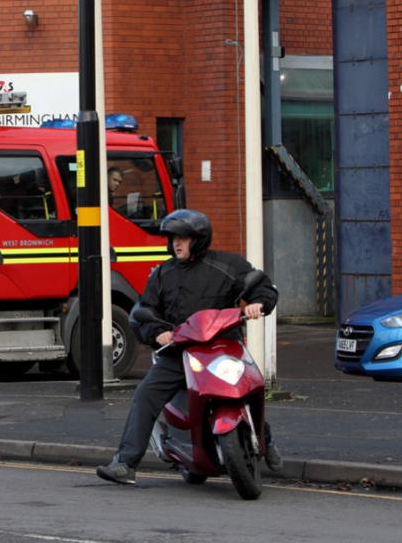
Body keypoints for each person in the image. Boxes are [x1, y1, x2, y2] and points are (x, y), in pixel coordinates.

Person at [96, 208, 283, 485]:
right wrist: (157, 333)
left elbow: (260, 285)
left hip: (222, 347)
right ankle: (125, 462)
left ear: (199, 239)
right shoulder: (162, 274)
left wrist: (259, 303)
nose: (176, 244)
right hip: (179, 352)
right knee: (146, 394)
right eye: (173, 238)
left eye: (183, 238)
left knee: (243, 388)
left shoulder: (227, 265)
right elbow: (143, 310)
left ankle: (264, 438)